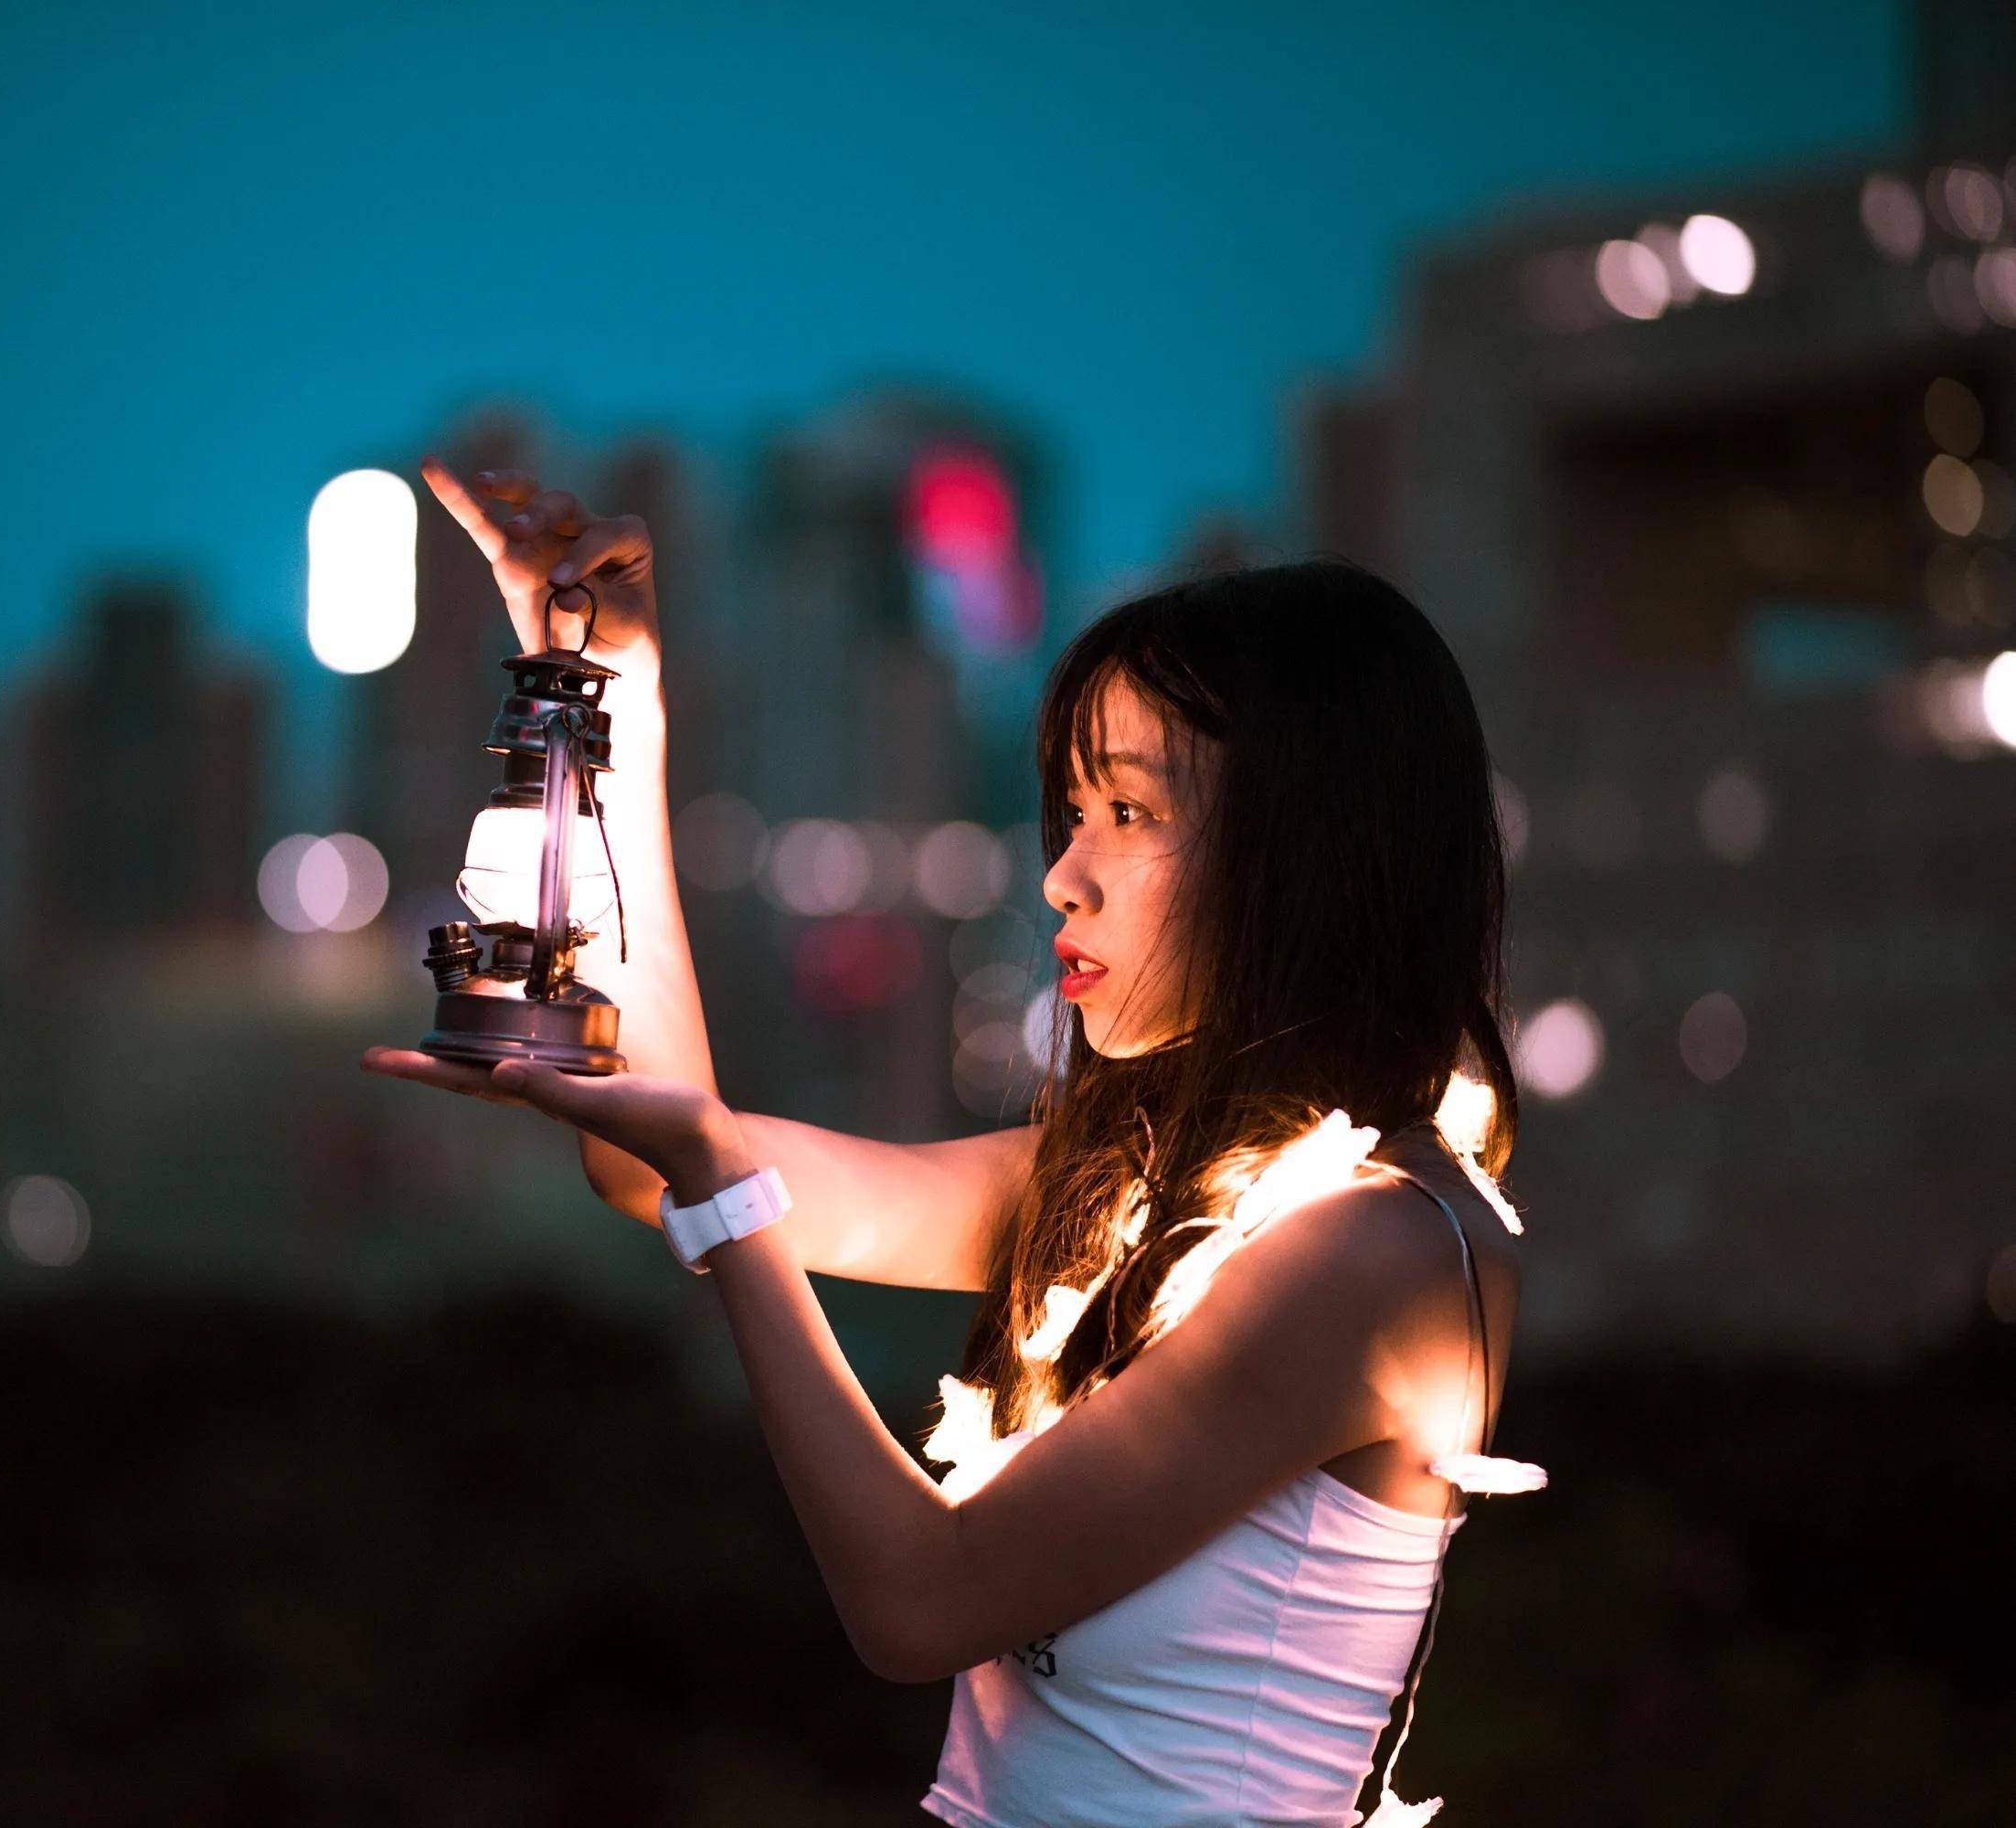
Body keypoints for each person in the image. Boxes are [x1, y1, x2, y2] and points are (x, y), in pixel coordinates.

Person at [363, 456, 1533, 1828]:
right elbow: (651, 1161)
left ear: (1309, 851)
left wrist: (724, 1198)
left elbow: (921, 1601)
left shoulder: (1379, 1247)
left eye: (1133, 814)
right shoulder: (1123, 1194)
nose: (1060, 872)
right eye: (1072, 810)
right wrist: (618, 693)